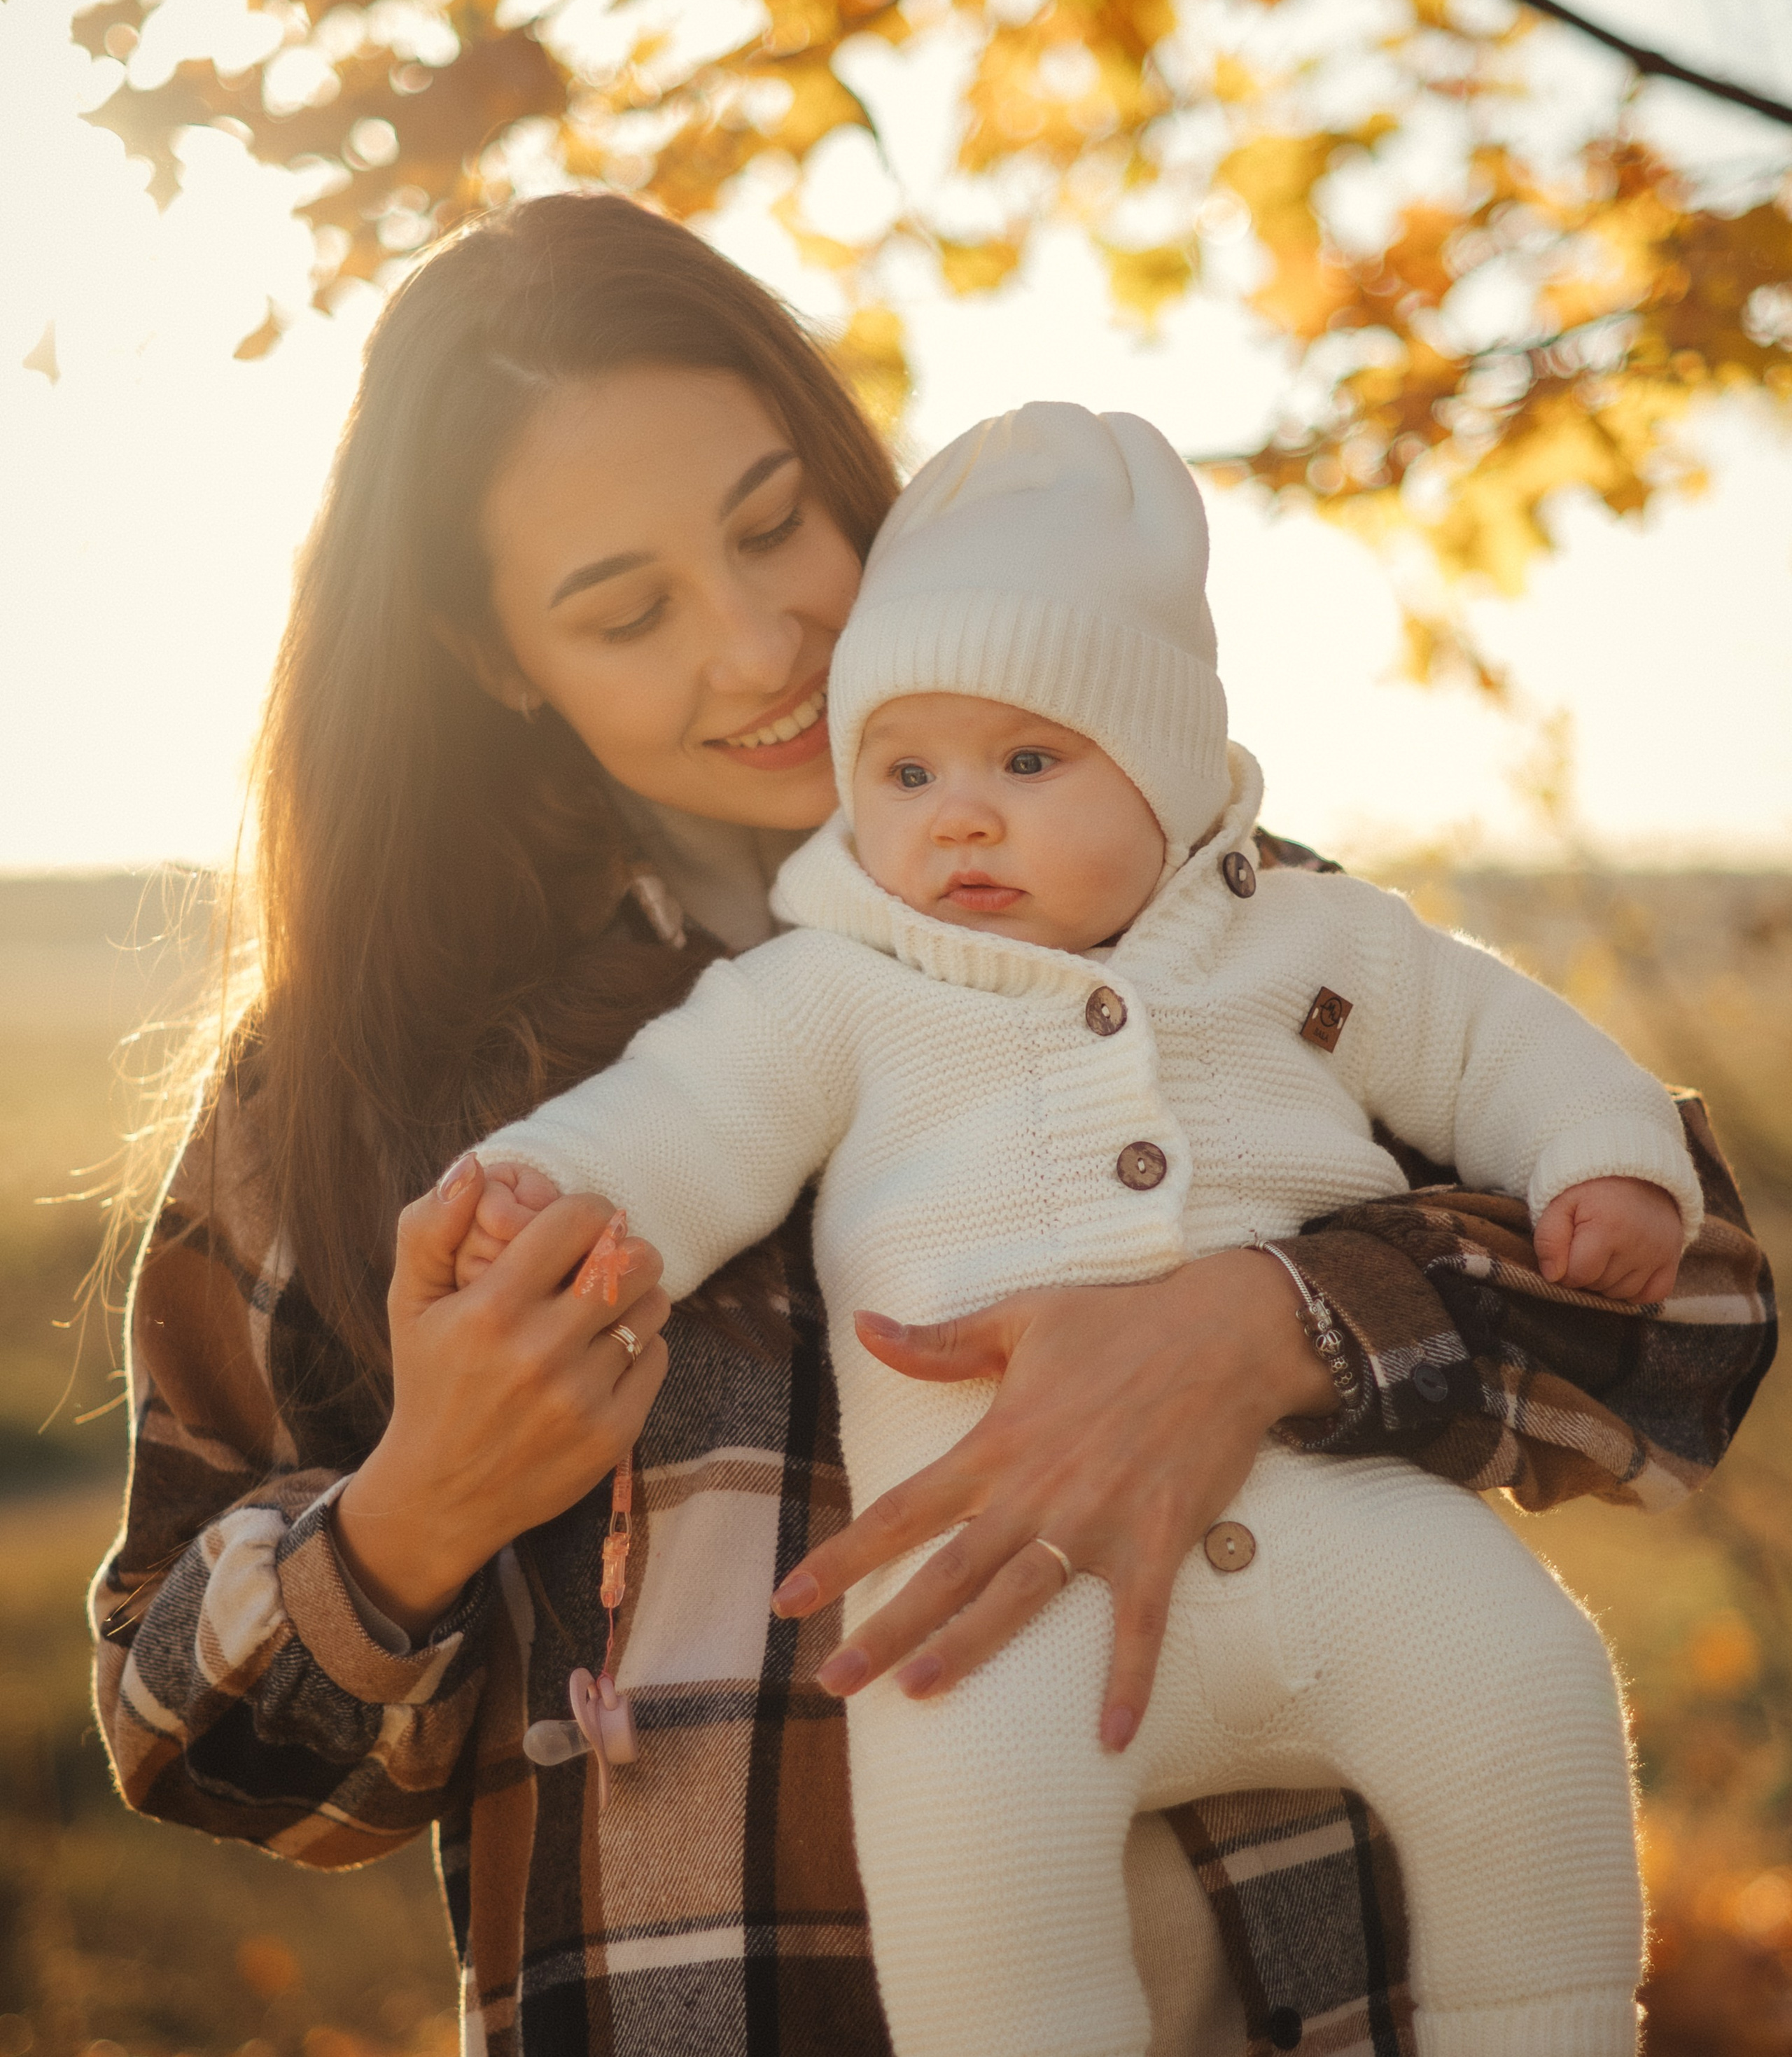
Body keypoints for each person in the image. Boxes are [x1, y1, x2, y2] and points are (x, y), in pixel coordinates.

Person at [90, 195, 1774, 2057]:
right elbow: (190, 1736)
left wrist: (1271, 1324)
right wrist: (420, 1511)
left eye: (772, 523)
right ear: (495, 657)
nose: (760, 644)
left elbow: (1689, 1299)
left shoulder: (1165, 897)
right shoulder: (370, 1081)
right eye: (627, 610)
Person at [460, 403, 1694, 2057]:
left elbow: (1503, 1046)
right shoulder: (840, 982)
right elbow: (681, 1116)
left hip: (1335, 1529)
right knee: (971, 1879)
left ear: (1166, 771)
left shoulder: (1310, 939)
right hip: (984, 1604)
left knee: (1525, 1691)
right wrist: (553, 1196)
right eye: (903, 772)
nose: (956, 818)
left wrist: (1603, 1161)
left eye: (1025, 762)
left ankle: (1539, 2022)